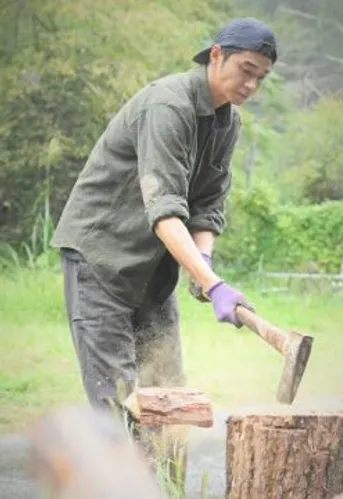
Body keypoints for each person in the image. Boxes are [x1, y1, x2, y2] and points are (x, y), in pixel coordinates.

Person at [51, 16, 277, 476]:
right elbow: (165, 209)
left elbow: (207, 205)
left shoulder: (225, 123)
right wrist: (210, 282)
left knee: (169, 397)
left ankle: (166, 489)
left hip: (154, 270)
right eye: (246, 69)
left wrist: (204, 262)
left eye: (261, 77)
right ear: (216, 55)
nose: (252, 84)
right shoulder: (168, 104)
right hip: (101, 259)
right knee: (119, 401)